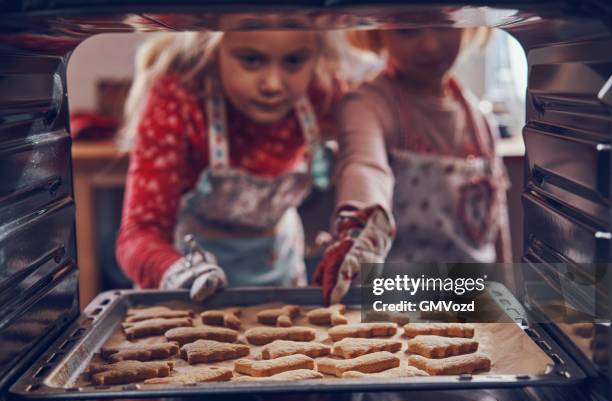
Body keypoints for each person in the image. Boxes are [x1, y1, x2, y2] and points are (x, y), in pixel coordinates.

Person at [116, 26, 348, 301]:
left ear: (317, 55)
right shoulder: (180, 95)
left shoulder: (321, 91)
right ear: (214, 49)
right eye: (250, 60)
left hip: (282, 275)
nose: (273, 84)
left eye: (294, 61)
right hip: (191, 288)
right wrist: (176, 272)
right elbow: (138, 234)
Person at [314, 26, 512, 307]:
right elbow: (365, 166)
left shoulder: (479, 119)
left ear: (468, 25)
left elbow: (498, 226)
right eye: (406, 30)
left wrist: (509, 294)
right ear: (378, 33)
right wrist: (359, 226)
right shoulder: (368, 104)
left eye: (444, 25)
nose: (430, 44)